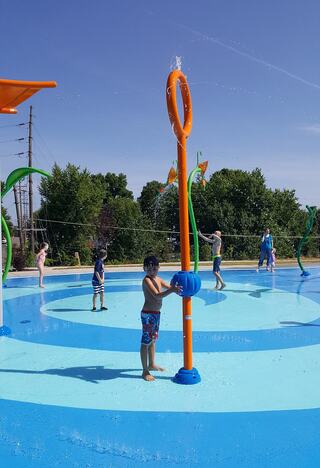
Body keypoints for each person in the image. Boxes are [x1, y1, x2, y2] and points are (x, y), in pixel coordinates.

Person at [140, 255, 181, 382]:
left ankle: (152, 364)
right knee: (145, 342)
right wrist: (172, 290)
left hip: (156, 314)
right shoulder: (146, 280)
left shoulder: (158, 279)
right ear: (144, 269)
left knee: (152, 340)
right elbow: (157, 295)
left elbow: (170, 288)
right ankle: (145, 370)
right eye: (149, 269)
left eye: (154, 269)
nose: (152, 272)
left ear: (158, 268)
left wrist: (178, 288)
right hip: (148, 314)